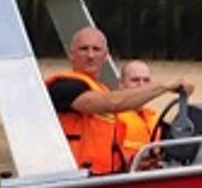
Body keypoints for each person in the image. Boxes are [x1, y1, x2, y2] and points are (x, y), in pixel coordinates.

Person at [46, 28, 189, 174]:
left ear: (105, 56)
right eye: (84, 49)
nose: (90, 55)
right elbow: (112, 103)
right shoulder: (63, 86)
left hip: (108, 177)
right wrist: (164, 86)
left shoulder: (102, 90)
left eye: (96, 49)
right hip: (76, 180)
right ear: (71, 55)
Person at [115, 59, 164, 164]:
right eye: (135, 80)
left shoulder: (153, 116)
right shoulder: (111, 117)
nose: (141, 85)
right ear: (121, 84)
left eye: (146, 80)